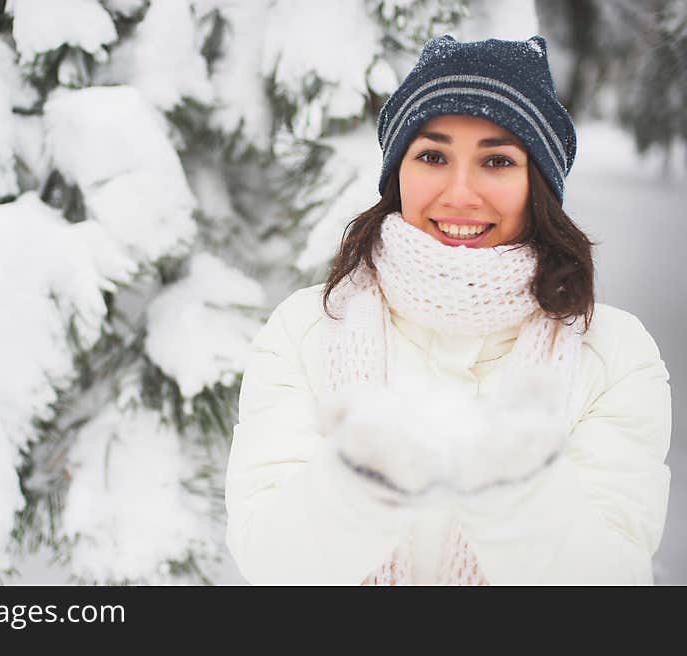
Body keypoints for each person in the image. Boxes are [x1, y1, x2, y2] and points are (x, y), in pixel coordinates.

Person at [223, 35, 672, 585]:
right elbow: (272, 566)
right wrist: (359, 483)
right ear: (397, 173)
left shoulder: (615, 352)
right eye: (433, 155)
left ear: (539, 185)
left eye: (498, 160)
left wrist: (517, 493)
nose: (461, 193)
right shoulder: (307, 329)